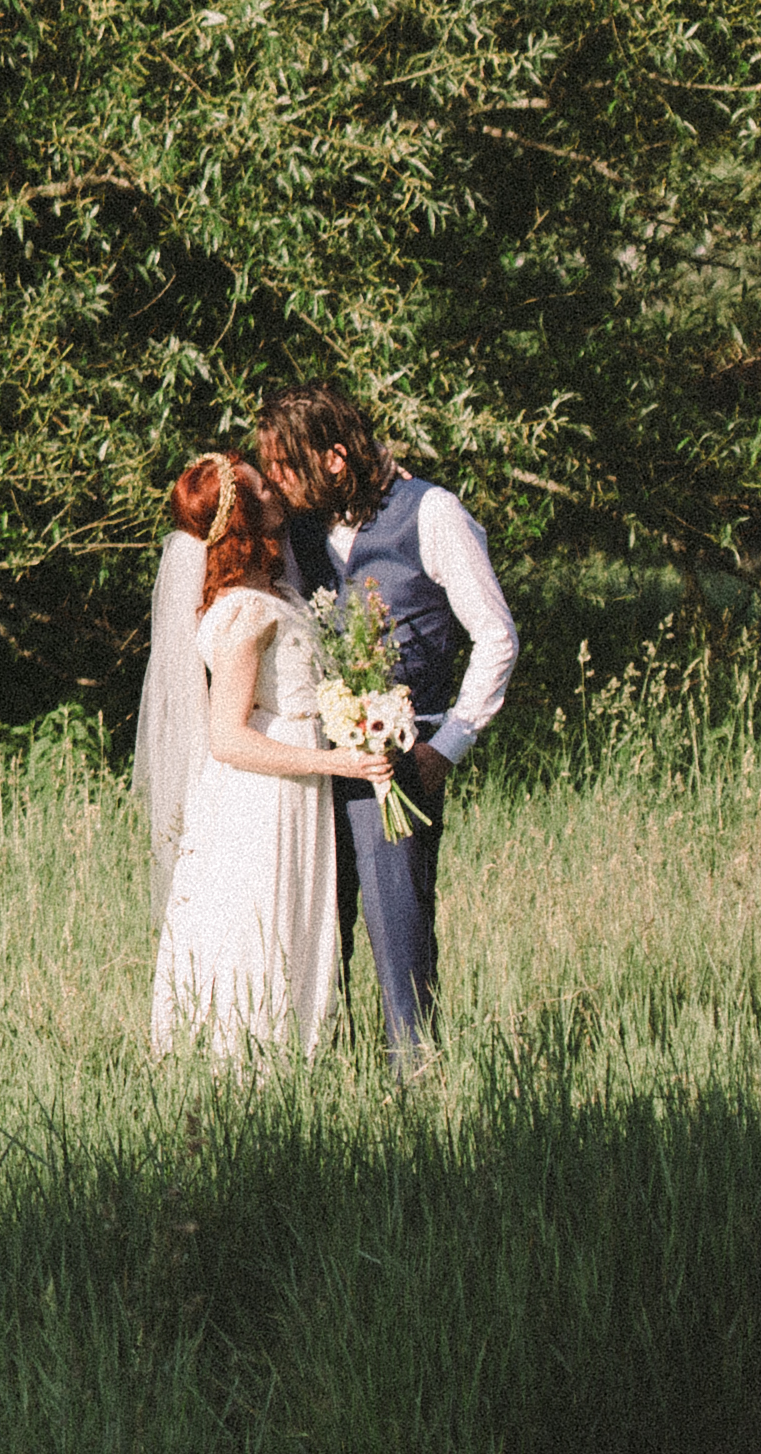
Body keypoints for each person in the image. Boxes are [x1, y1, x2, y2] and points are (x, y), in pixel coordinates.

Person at [257, 383, 518, 1064]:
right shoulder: (301, 529)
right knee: (315, 925)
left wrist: (448, 746)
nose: (277, 484)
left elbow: (496, 636)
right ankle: (322, 1065)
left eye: (287, 466)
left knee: (398, 924)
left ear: (335, 457)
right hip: (315, 763)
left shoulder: (431, 514)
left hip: (401, 761)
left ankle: (415, 1073)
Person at [139, 451, 386, 1057]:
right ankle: (251, 1063)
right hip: (265, 798)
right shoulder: (245, 612)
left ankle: (295, 1053)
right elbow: (227, 738)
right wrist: (337, 762)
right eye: (260, 486)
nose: (276, 487)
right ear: (248, 517)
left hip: (294, 785)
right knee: (263, 922)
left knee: (294, 923)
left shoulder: (269, 589)